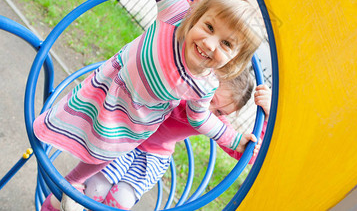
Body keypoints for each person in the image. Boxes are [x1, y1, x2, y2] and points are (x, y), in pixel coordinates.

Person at [35, 0, 264, 210]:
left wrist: (235, 141)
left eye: (226, 44)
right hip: (112, 86)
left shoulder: (205, 84)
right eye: (209, 27)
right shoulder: (174, 15)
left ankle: (71, 185)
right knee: (72, 127)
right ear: (196, 16)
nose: (210, 44)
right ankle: (61, 190)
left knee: (107, 151)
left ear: (234, 60)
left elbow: (199, 117)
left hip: (137, 121)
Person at [83, 69, 271, 209]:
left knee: (120, 202)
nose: (210, 112)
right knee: (95, 189)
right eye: (211, 100)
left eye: (220, 112)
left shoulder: (215, 123)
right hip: (127, 140)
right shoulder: (178, 88)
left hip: (153, 159)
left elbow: (250, 155)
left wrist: (267, 117)